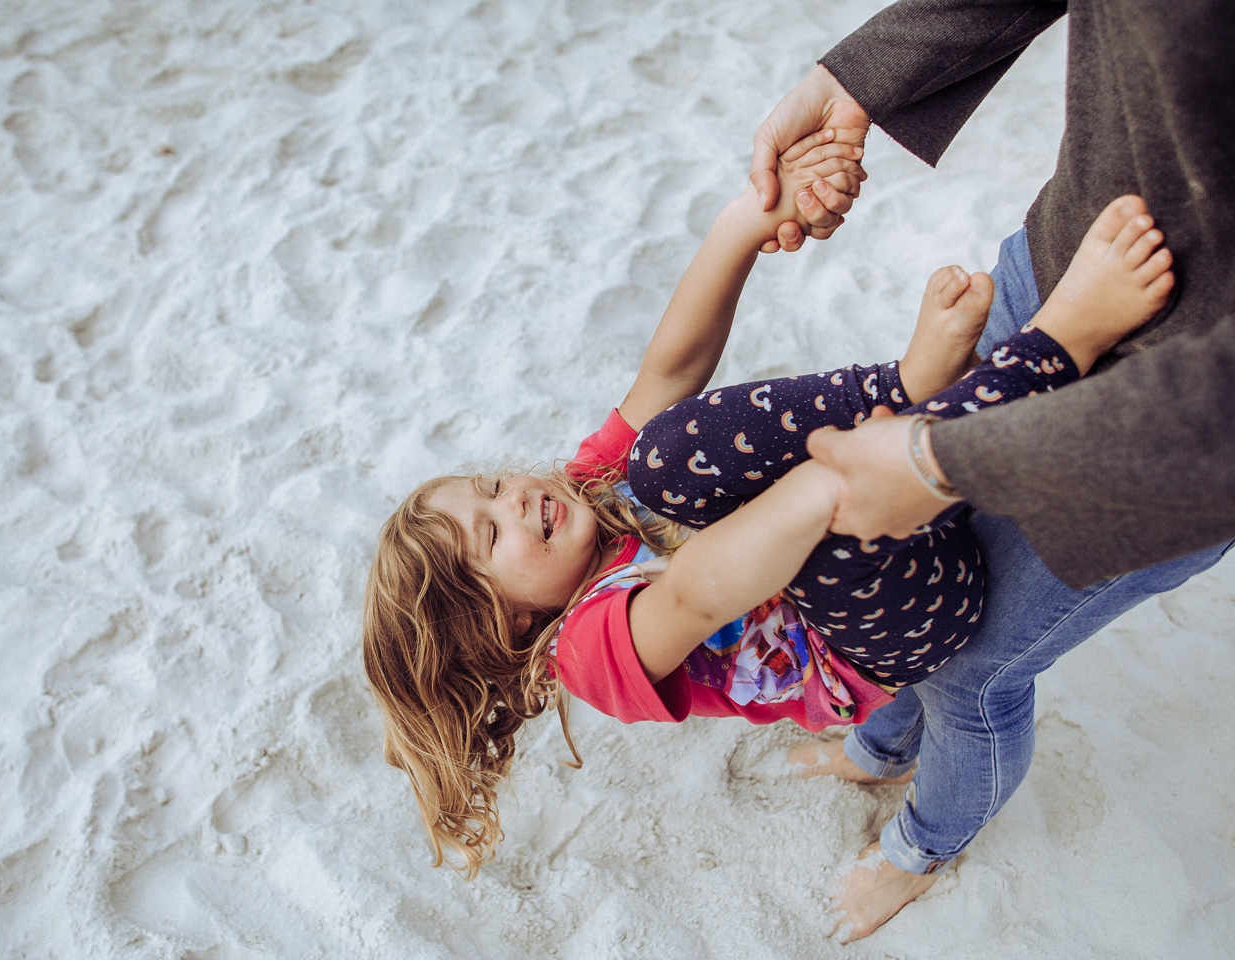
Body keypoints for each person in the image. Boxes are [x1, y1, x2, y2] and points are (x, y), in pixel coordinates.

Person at [362, 111, 1173, 878]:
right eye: (489, 537)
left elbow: (671, 373)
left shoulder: (584, 495)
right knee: (924, 649)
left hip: (871, 533)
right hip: (890, 630)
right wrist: (834, 478)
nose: (515, 502)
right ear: (504, 621)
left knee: (663, 453)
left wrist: (748, 221)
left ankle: (912, 386)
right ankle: (1061, 345)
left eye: (493, 487)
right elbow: (696, 588)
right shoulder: (587, 652)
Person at [745, 0, 1235, 941]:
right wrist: (857, 76)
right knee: (916, 595)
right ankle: (886, 746)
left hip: (1174, 421)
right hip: (1052, 265)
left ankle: (924, 846)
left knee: (974, 669)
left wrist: (937, 457)